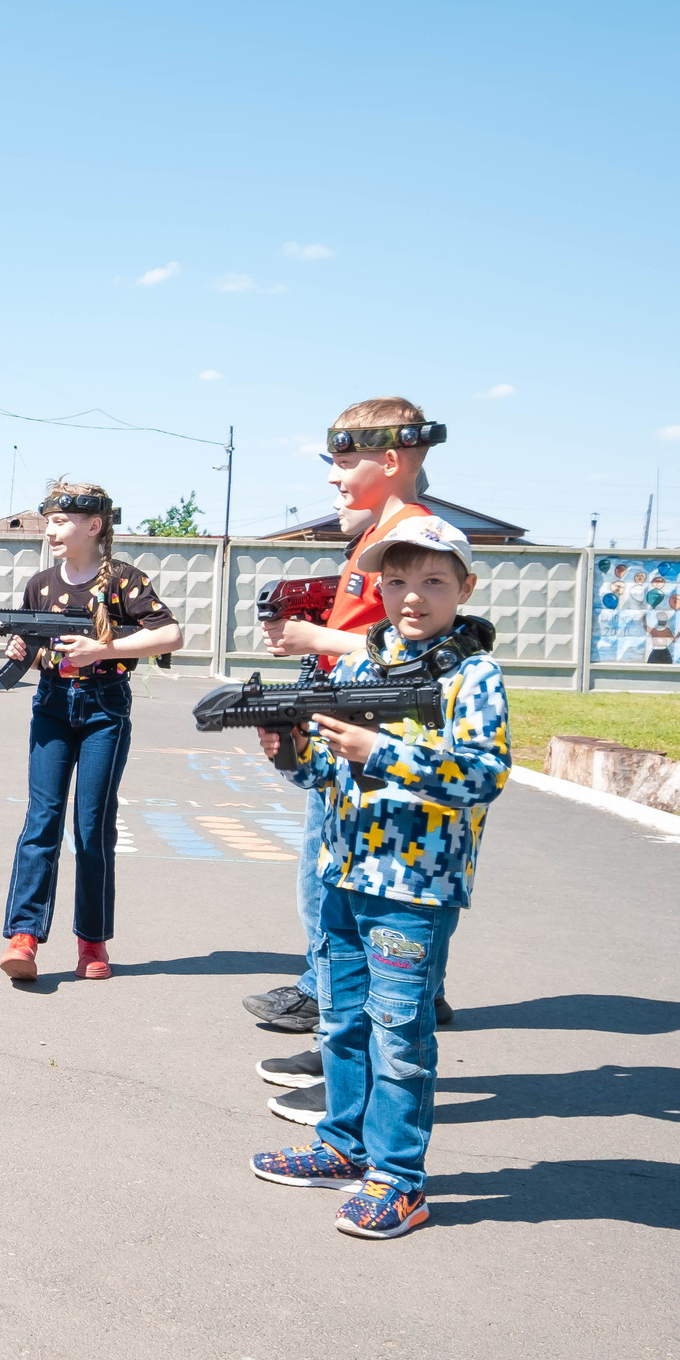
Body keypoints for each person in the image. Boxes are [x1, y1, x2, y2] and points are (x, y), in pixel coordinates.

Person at [249, 516, 509, 1239]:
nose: (412, 597)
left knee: (399, 1035)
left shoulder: (473, 675)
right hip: (342, 877)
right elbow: (327, 775)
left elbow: (484, 775)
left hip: (412, 891)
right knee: (341, 1020)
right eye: (396, 581)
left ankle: (399, 1179)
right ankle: (342, 1146)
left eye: (432, 581)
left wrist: (382, 749)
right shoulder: (361, 663)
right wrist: (290, 751)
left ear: (465, 587)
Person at [243, 397, 444, 1041]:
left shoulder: (404, 537)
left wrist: (310, 638)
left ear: (389, 461)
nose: (333, 476)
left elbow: (413, 653)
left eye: (345, 461)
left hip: (369, 739)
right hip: (351, 729)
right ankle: (365, 1002)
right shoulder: (375, 537)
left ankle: (338, 1019)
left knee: (327, 879)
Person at [0, 480, 184, 985]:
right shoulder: (40, 584)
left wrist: (102, 649)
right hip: (53, 706)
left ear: (94, 526)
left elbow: (170, 633)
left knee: (92, 826)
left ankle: (91, 941)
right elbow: (40, 649)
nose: (50, 530)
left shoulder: (123, 580)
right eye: (49, 521)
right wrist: (22, 650)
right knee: (42, 820)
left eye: (60, 522)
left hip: (104, 709)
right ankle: (24, 937)